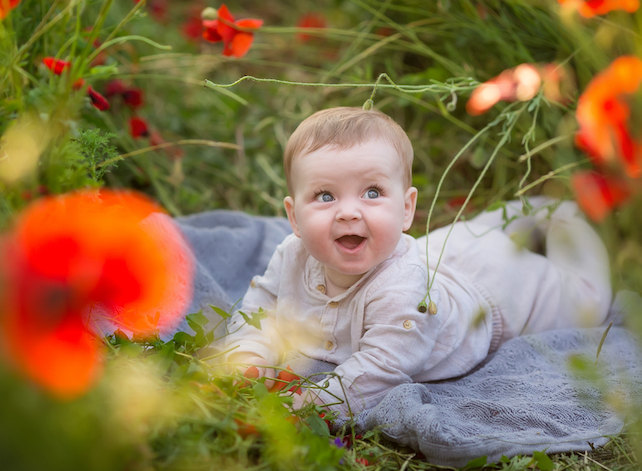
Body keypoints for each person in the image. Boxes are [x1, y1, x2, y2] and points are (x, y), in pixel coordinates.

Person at [224, 106, 613, 416]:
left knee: (586, 300)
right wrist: (247, 358)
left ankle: (563, 215)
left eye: (372, 192)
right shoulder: (290, 255)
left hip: (496, 296)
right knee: (474, 233)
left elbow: (379, 371)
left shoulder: (405, 291)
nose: (348, 212)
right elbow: (260, 310)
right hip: (444, 251)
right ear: (293, 217)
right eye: (325, 196)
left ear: (406, 209)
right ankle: (523, 215)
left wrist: (303, 405)